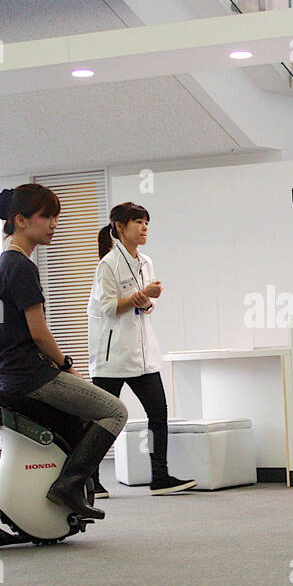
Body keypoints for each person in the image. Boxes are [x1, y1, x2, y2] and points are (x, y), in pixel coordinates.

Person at [0, 185, 126, 517]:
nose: (53, 223)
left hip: (6, 377)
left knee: (79, 417)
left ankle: (77, 491)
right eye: (45, 216)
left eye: (55, 216)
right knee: (115, 411)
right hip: (29, 377)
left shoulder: (0, 265)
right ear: (20, 220)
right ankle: (69, 485)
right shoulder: (21, 267)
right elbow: (39, 333)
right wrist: (66, 365)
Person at [88, 203, 195, 496]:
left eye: (146, 222)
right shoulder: (108, 264)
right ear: (120, 227)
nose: (144, 227)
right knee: (101, 420)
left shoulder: (146, 261)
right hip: (112, 357)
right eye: (138, 221)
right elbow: (109, 308)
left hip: (142, 354)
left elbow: (148, 306)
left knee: (158, 413)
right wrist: (142, 295)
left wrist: (148, 300)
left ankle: (160, 476)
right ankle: (89, 480)